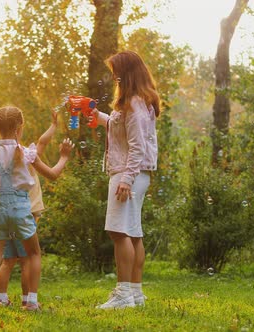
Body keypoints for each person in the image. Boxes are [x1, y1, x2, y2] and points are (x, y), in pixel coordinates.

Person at [0, 106, 74, 312]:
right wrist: (63, 157)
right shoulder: (26, 152)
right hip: (20, 209)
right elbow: (53, 175)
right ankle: (31, 302)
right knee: (34, 254)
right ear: (20, 127)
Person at [91, 51, 160, 309]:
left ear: (127, 73)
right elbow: (123, 129)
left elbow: (137, 146)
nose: (114, 77)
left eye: (117, 73)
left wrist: (126, 179)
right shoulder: (137, 102)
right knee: (132, 233)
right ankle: (135, 293)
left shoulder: (134, 103)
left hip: (128, 173)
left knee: (119, 232)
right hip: (132, 173)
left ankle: (123, 295)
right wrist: (99, 118)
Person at [0, 110, 59, 308]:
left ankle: (1, 299)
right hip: (26, 213)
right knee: (27, 260)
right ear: (18, 128)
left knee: (8, 261)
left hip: (6, 213)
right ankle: (27, 300)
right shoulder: (26, 156)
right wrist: (63, 155)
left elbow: (42, 141)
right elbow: (42, 144)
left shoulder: (11, 155)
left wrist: (54, 126)